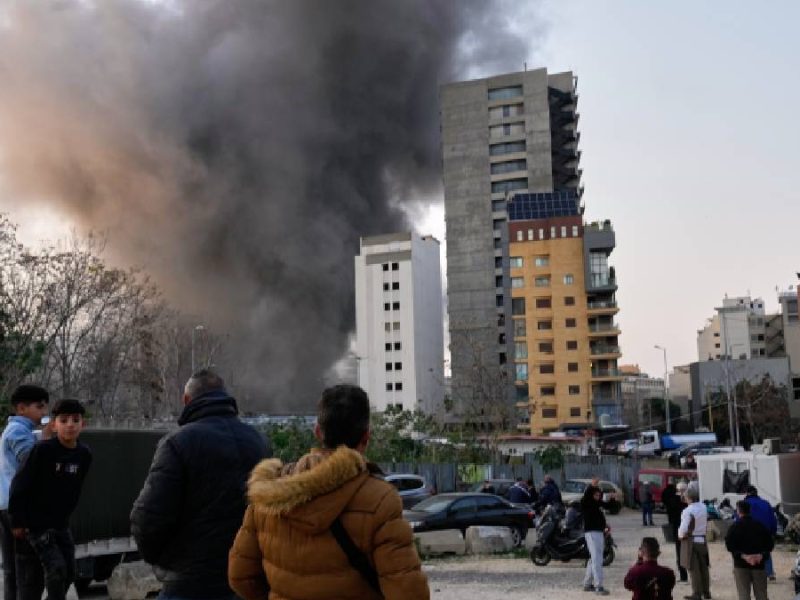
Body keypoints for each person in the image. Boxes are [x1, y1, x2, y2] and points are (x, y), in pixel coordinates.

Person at [228, 384, 429, 599]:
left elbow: (241, 577)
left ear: (317, 431)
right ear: (366, 437)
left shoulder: (269, 493)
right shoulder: (379, 499)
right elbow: (407, 592)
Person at [131, 369, 270, 600]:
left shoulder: (177, 443)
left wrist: (165, 562)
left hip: (190, 581)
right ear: (226, 397)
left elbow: (147, 518)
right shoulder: (259, 441)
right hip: (246, 579)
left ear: (187, 400)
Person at [9, 399, 91, 600]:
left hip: (61, 524)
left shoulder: (84, 454)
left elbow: (75, 488)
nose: (70, 425)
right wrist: (17, 520)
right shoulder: (43, 451)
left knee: (70, 571)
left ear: (83, 424)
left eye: (75, 420)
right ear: (54, 425)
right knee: (56, 569)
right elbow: (20, 483)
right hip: (37, 525)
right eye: (64, 420)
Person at [0, 384, 51, 600]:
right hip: (19, 509)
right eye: (39, 407)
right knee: (28, 572)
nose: (44, 412)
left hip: (7, 506)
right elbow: (32, 463)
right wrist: (47, 440)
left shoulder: (13, 430)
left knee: (12, 570)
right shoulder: (19, 431)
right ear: (21, 408)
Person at [725, 500, 773, 600]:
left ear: (738, 511)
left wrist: (743, 556)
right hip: (758, 564)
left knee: (744, 595)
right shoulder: (760, 526)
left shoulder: (735, 527)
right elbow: (770, 544)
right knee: (761, 594)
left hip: (741, 564)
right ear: (750, 510)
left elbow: (730, 546)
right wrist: (761, 555)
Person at [580, 484, 615, 595]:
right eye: (595, 495)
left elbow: (609, 506)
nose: (598, 497)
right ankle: (598, 586)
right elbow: (586, 496)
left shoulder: (597, 504)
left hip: (598, 533)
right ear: (591, 495)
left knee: (594, 559)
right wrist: (592, 485)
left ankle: (587, 584)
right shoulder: (586, 503)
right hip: (592, 533)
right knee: (597, 560)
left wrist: (612, 498)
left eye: (599, 495)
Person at [678, 486, 710, 600]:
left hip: (691, 540)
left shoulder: (688, 511)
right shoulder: (703, 507)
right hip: (702, 539)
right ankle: (706, 592)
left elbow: (683, 528)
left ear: (689, 498)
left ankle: (697, 593)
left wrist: (680, 535)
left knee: (693, 569)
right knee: (704, 567)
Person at [742, 486, 777, 581]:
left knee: (748, 552)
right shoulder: (766, 503)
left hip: (749, 533)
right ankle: (770, 573)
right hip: (765, 532)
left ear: (747, 493)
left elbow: (739, 519)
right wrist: (773, 532)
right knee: (766, 552)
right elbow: (773, 520)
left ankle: (750, 573)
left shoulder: (744, 504)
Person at [662, 480, 689, 583]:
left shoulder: (673, 500)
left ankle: (683, 575)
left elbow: (669, 512)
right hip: (689, 531)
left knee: (680, 552)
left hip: (678, 529)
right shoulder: (689, 501)